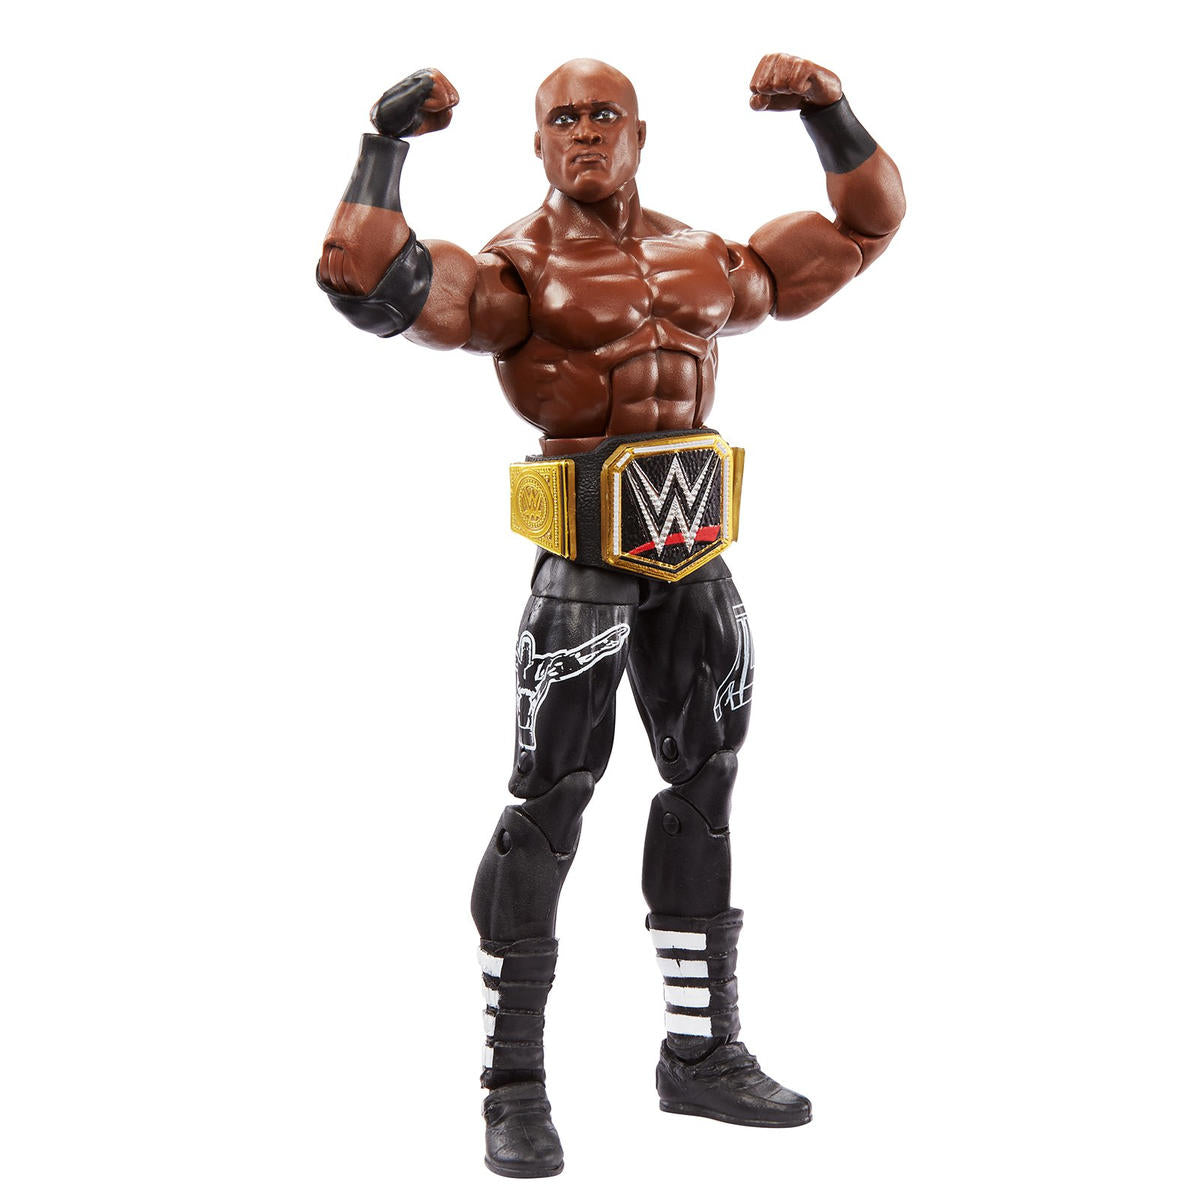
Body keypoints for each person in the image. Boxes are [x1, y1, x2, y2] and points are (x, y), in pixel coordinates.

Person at [318, 54, 905, 1178]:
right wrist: (383, 148)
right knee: (549, 805)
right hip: (582, 567)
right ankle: (514, 1084)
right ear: (538, 143)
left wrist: (830, 113)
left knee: (706, 787)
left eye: (603, 115)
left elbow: (864, 227)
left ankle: (701, 1055)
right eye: (561, 118)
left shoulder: (706, 257)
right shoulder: (515, 272)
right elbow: (366, 285)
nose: (583, 131)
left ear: (640, 135)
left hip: (695, 556)